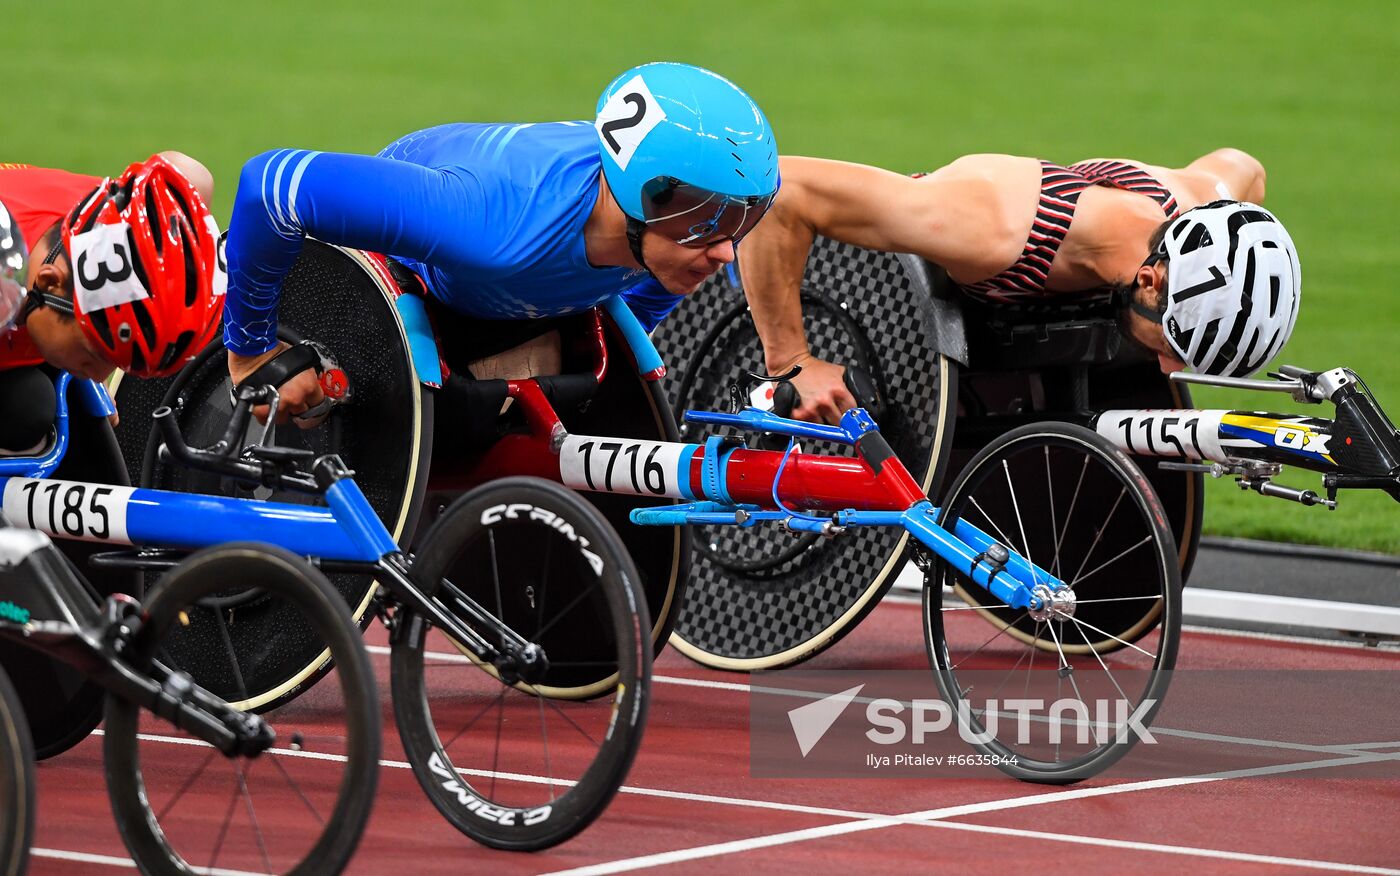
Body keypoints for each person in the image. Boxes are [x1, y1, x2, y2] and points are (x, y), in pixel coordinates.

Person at [220, 61, 779, 425]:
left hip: (502, 293)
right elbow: (270, 187)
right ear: (641, 197)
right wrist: (250, 351)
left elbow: (644, 295)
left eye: (741, 221)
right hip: (404, 276)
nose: (727, 250)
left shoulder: (677, 241)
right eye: (707, 221)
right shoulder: (486, 222)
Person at [735, 150, 1302, 424]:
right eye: (1174, 348)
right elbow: (779, 193)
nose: (1166, 372)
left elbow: (1244, 168)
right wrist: (791, 360)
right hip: (846, 291)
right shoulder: (992, 228)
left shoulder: (1191, 210)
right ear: (1150, 280)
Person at [0, 153, 224, 453]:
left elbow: (191, 175)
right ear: (48, 282)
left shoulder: (121, 224)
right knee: (28, 409)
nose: (99, 375)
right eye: (95, 353)